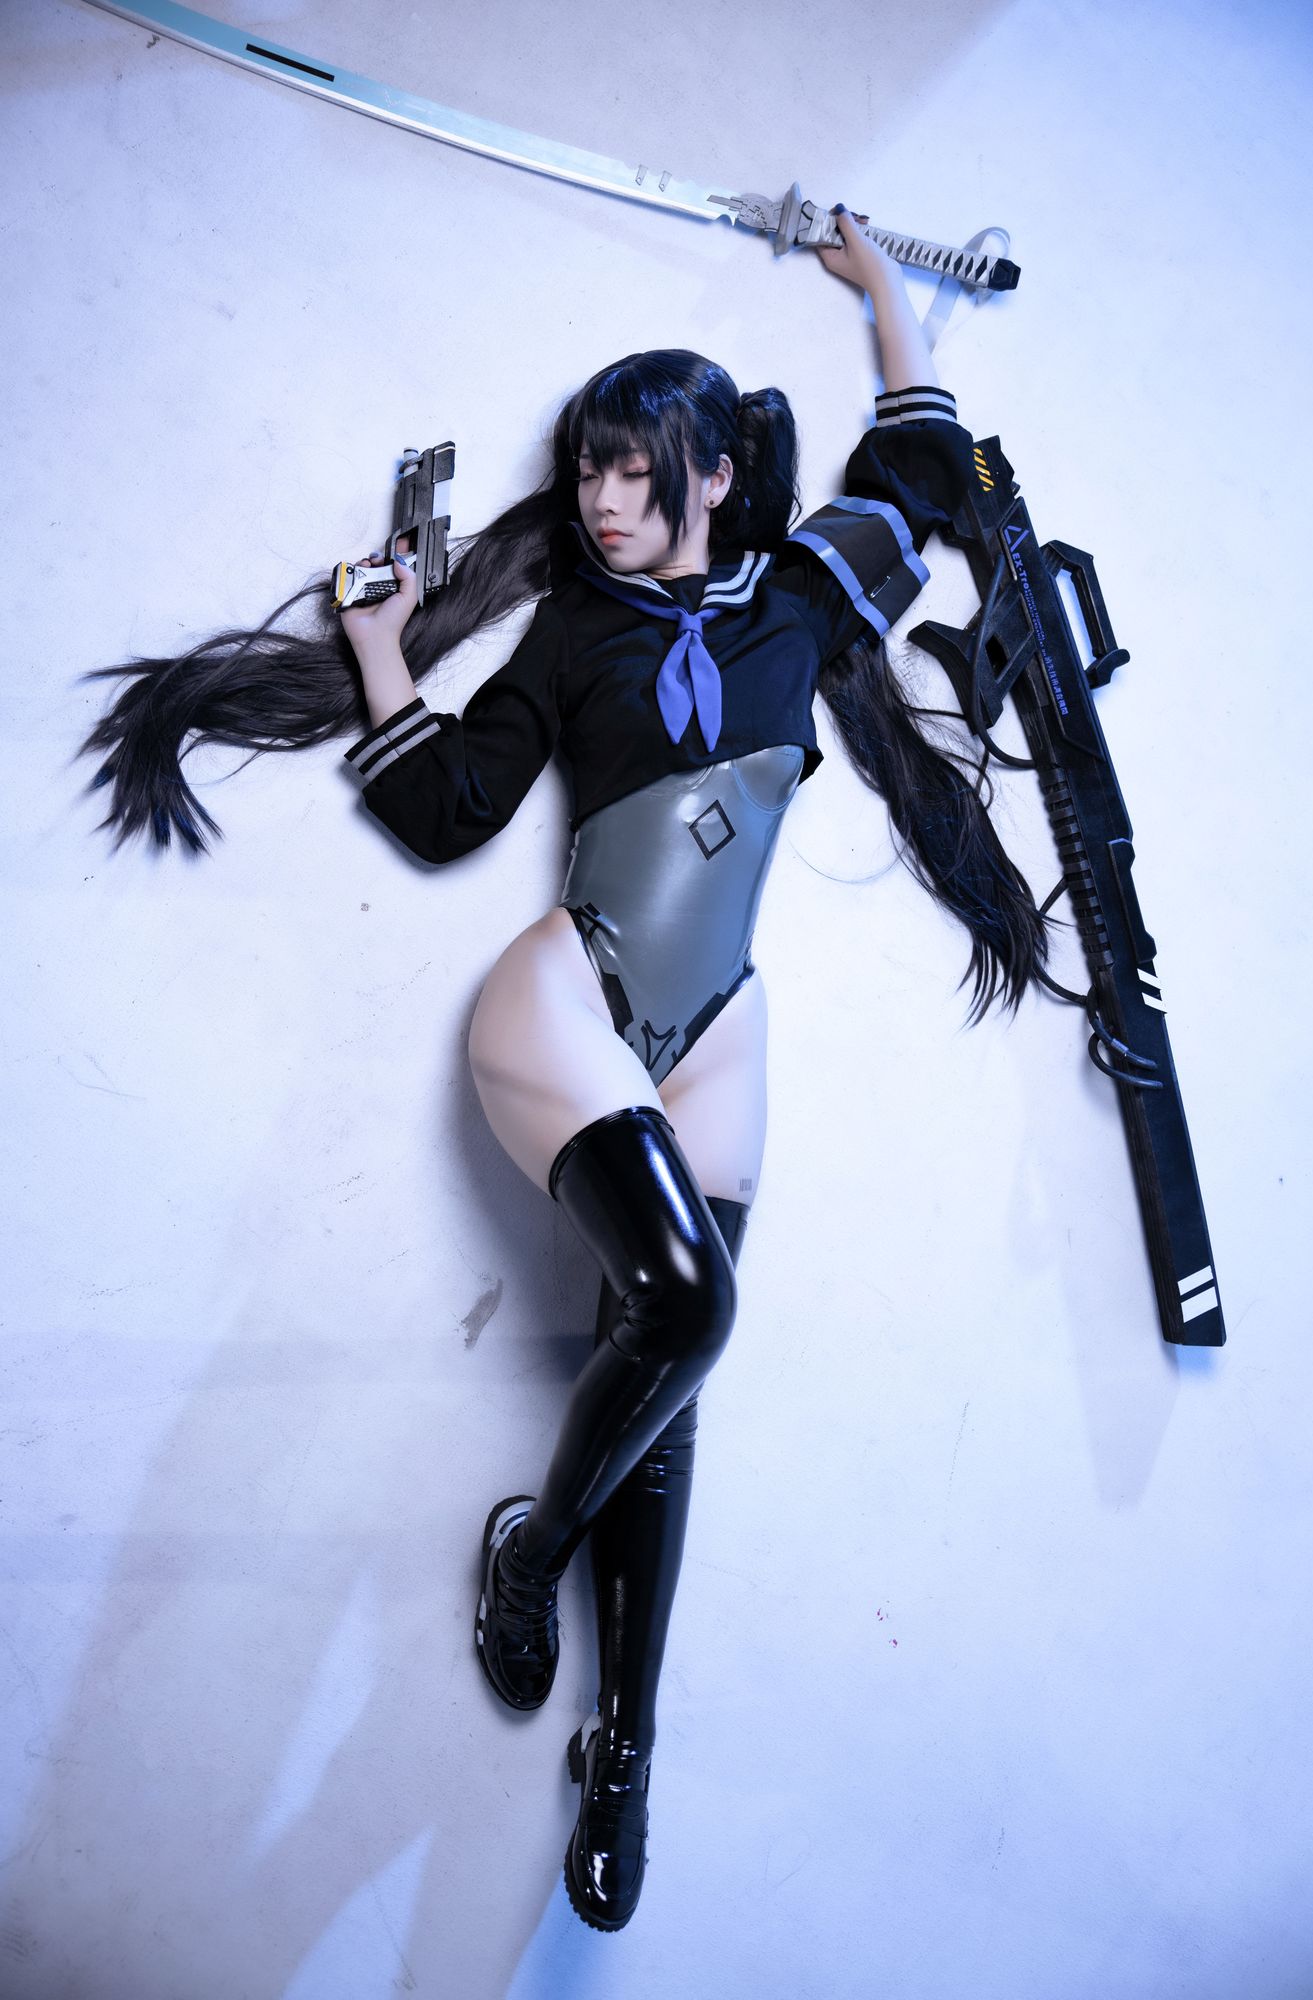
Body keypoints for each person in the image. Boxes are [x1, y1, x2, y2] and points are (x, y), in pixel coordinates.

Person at [79, 209, 1046, 1932]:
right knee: (687, 1308)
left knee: (670, 1381)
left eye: (632, 470)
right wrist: (379, 640)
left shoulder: (810, 593)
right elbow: (450, 809)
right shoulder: (570, 639)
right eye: (587, 468)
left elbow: (925, 467)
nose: (599, 499)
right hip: (567, 999)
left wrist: (884, 294)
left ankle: (624, 1757)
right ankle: (526, 1556)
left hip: (718, 1024)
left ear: (713, 478)